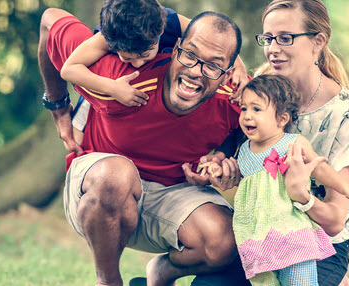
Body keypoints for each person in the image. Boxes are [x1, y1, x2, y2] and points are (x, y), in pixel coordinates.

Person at [38, 7, 249, 286]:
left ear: (227, 73)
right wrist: (58, 106)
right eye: (190, 55)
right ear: (176, 48)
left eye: (213, 65)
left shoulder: (238, 100)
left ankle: (160, 274)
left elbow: (245, 135)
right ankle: (108, 280)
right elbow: (49, 20)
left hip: (173, 195)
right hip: (101, 191)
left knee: (223, 241)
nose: (196, 72)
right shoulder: (117, 79)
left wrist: (221, 160)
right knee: (116, 174)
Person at [216, 0, 349, 285]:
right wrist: (220, 163)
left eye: (285, 38)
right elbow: (243, 149)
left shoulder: (344, 113)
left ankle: (336, 278)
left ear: (318, 42)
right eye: (268, 38)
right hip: (262, 236)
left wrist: (302, 196)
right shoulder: (260, 86)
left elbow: (336, 220)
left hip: (320, 244)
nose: (273, 48)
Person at [222, 74, 349, 286]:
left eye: (256, 109)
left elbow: (321, 170)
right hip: (257, 241)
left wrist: (348, 190)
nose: (246, 115)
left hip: (291, 236)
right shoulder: (243, 151)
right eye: (244, 108)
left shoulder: (292, 144)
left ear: (282, 119)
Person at [60, 0, 247, 108]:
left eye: (145, 54)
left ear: (160, 32)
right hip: (106, 92)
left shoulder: (170, 21)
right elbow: (69, 69)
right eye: (127, 57)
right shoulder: (108, 37)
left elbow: (217, 37)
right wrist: (112, 88)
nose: (138, 64)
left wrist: (238, 66)